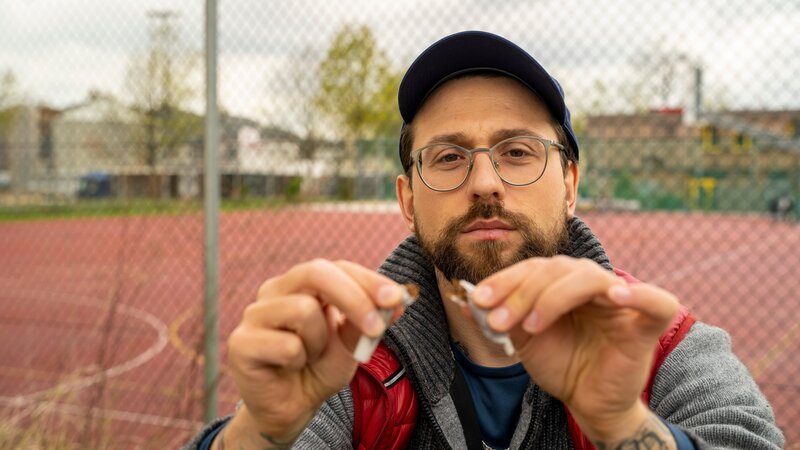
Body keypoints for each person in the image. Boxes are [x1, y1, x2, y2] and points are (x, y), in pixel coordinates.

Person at [184, 31, 783, 449]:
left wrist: (623, 424)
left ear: (570, 184)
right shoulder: (346, 363)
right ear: (407, 198)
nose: (484, 182)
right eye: (447, 157)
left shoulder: (662, 349)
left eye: (517, 152)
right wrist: (259, 435)